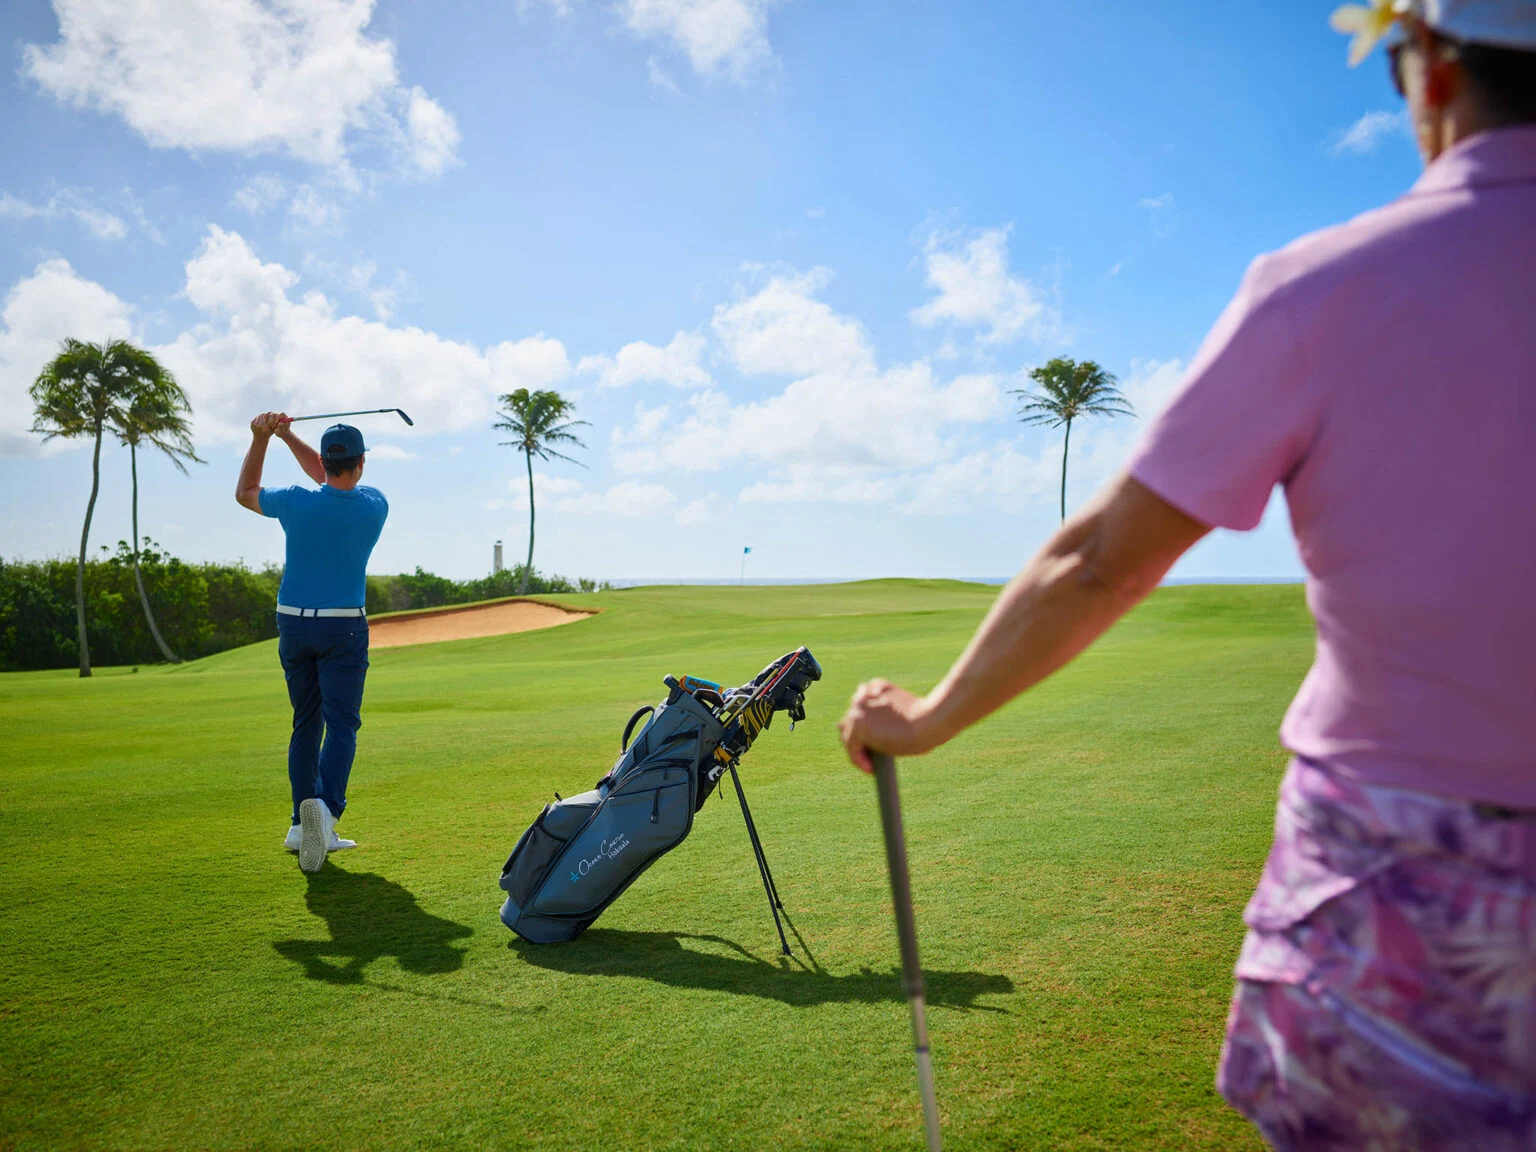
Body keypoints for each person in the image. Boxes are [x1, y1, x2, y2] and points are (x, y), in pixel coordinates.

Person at [840, 3, 1536, 1148]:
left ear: (1433, 77)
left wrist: (927, 717)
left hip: (1386, 927)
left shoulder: (1321, 290)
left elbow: (1099, 564)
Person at [236, 414, 389, 874]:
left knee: (306, 723)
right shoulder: (374, 504)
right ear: (361, 463)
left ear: (324, 462)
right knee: (342, 724)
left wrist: (263, 438)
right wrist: (284, 436)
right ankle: (324, 811)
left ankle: (301, 826)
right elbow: (327, 476)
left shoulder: (295, 502)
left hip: (293, 625)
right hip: (343, 628)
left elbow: (245, 493)